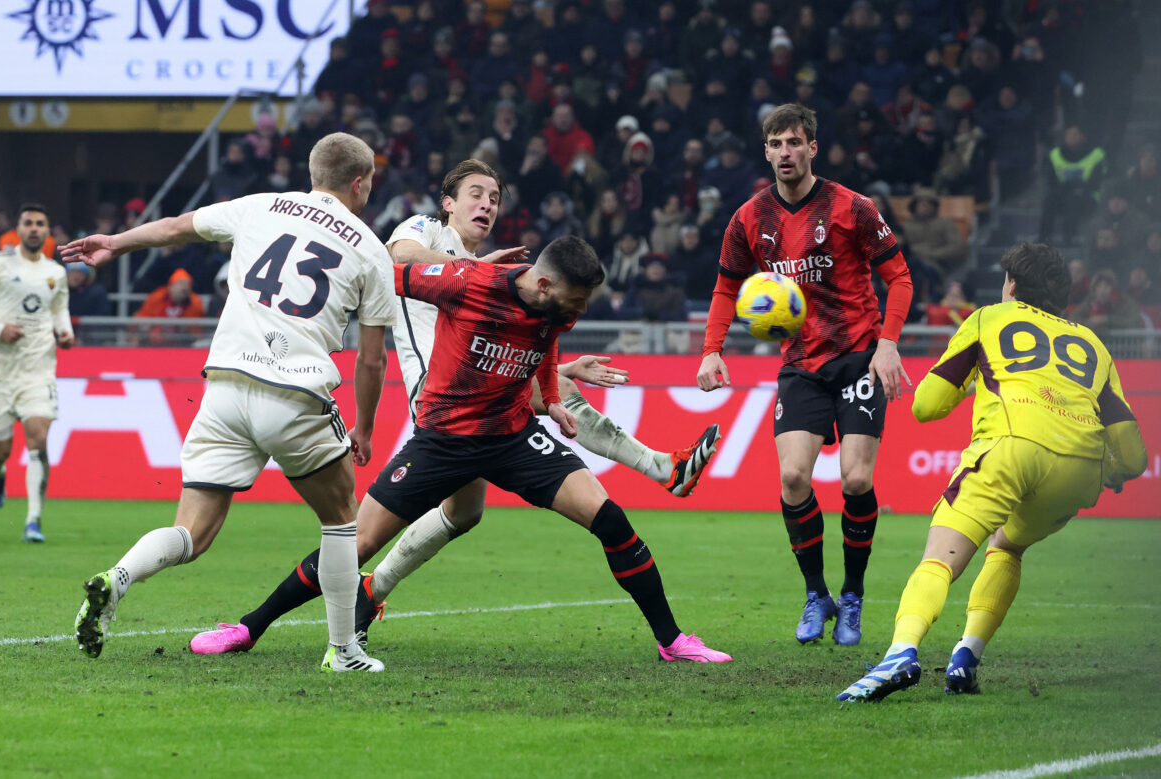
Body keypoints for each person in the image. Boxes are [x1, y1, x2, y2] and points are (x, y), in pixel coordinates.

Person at [190, 159, 722, 656]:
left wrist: (555, 399)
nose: (487, 204)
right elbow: (387, 269)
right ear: (448, 201)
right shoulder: (451, 263)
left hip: (512, 436)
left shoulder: (555, 301)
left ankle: (672, 640)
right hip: (443, 432)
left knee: (608, 521)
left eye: (494, 196)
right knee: (353, 542)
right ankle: (249, 626)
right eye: (476, 193)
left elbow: (545, 340)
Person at [59, 133, 396, 673]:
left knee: (191, 533)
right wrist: (366, 426)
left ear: (314, 173)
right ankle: (343, 651)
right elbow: (372, 360)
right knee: (341, 522)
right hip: (295, 392)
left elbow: (173, 228)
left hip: (224, 388)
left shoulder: (260, 207)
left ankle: (116, 579)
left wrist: (115, 243)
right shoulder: (371, 249)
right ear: (359, 183)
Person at [837, 243, 1148, 702]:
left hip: (1011, 446)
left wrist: (970, 382)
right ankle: (966, 658)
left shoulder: (988, 319)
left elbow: (926, 406)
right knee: (1007, 545)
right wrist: (1112, 471)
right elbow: (1134, 455)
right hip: (1080, 469)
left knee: (941, 558)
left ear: (1013, 286)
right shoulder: (1095, 346)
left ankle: (901, 653)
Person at [696, 103, 914, 647]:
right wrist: (711, 350)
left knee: (857, 481)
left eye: (795, 142)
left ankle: (855, 594)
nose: (785, 152)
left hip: (859, 356)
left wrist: (888, 346)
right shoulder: (749, 218)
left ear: (812, 148)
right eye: (775, 144)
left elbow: (900, 278)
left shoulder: (853, 207)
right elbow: (726, 288)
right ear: (765, 151)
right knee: (793, 479)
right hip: (800, 366)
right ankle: (817, 594)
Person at [0, 203, 73, 542]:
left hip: (38, 368)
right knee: (2, 449)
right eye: (29, 223)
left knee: (39, 437)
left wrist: (64, 330)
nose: (35, 228)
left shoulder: (57, 272)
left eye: (41, 223)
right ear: (18, 229)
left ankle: (33, 519)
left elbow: (60, 307)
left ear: (47, 230)